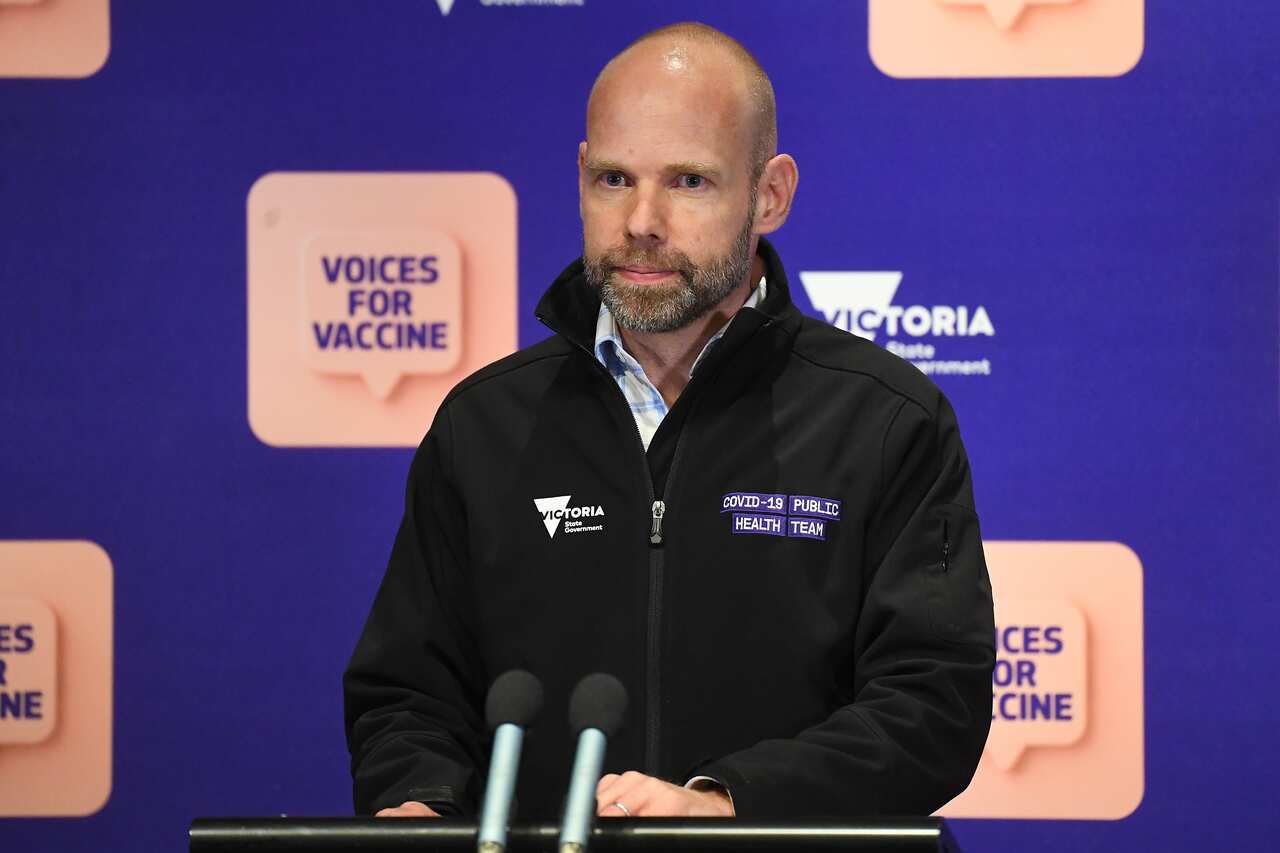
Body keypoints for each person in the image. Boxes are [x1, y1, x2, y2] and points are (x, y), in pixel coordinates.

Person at [343, 21, 995, 821]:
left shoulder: (886, 420)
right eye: (614, 179)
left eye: (689, 181)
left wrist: (728, 804)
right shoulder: (483, 424)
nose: (641, 220)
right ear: (580, 177)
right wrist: (416, 800)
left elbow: (932, 704)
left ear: (770, 195)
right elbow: (408, 693)